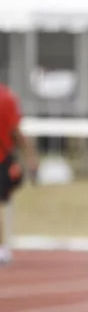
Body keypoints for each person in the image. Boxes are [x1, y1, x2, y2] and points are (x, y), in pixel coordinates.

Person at [0, 82, 39, 266]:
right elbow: (17, 131)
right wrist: (31, 158)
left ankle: (1, 248)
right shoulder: (7, 96)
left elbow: (16, 131)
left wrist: (30, 157)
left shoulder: (6, 98)